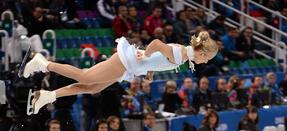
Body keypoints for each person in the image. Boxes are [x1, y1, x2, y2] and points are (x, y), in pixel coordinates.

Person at [23, 31, 218, 114]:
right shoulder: (181, 54)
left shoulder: (183, 54)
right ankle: (43, 63)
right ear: (201, 52)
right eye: (206, 58)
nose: (205, 62)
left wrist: (149, 69)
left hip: (128, 67)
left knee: (91, 88)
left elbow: (159, 55)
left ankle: (48, 95)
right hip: (126, 62)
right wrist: (146, 55)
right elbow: (156, 44)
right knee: (85, 77)